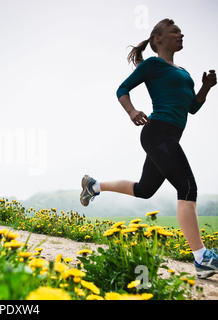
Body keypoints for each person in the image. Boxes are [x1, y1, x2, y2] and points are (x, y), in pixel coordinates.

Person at [80, 18, 217, 279]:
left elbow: (192, 108)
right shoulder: (153, 65)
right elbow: (122, 89)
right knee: (187, 188)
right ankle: (202, 258)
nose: (181, 34)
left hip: (169, 137)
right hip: (158, 132)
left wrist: (206, 88)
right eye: (175, 31)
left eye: (181, 31)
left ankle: (93, 186)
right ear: (158, 38)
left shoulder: (185, 73)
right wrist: (131, 111)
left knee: (144, 190)